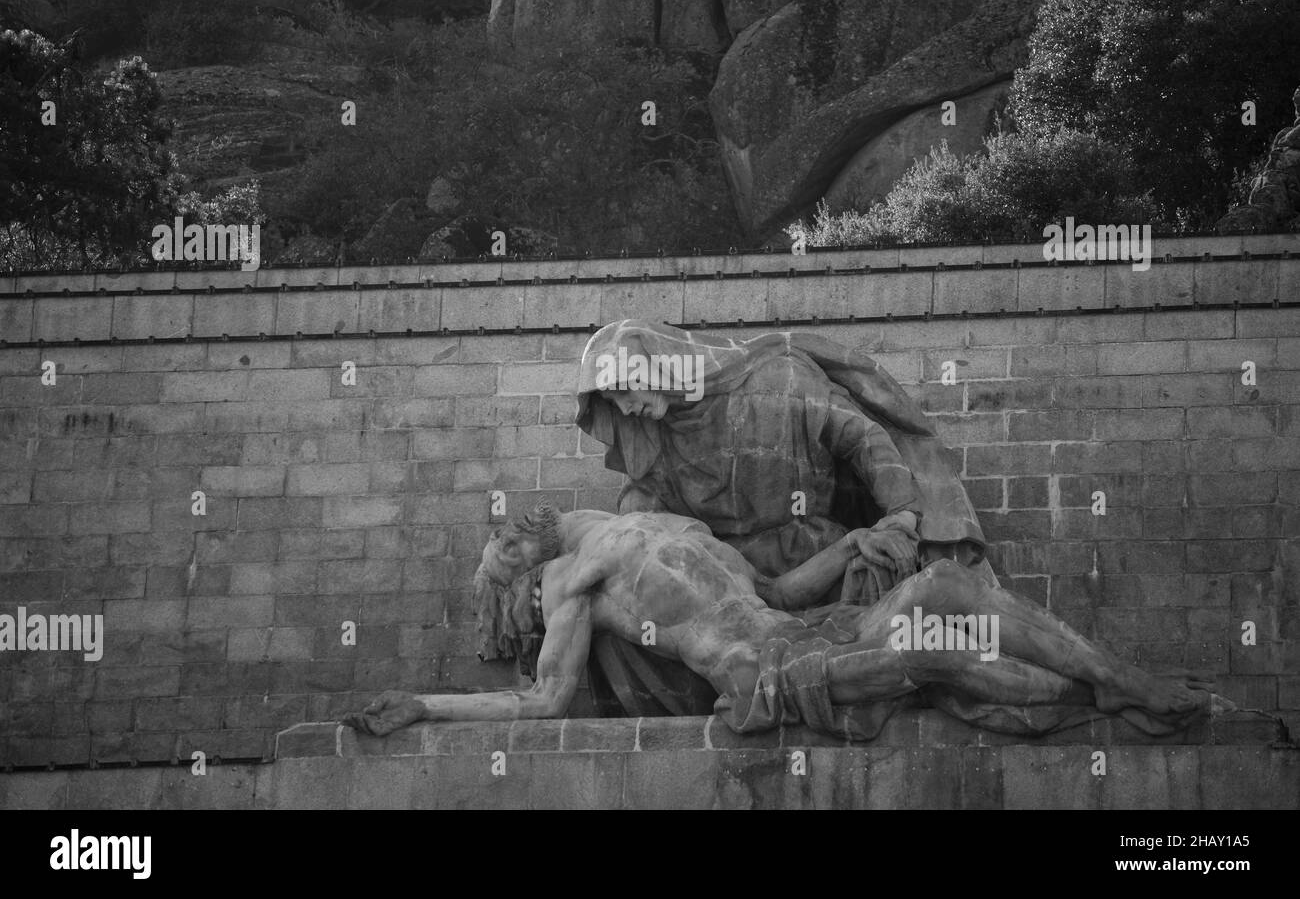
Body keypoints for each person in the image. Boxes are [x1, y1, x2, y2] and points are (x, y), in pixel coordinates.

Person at [344, 505, 1229, 739]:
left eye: (498, 537)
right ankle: (1101, 702)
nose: (503, 536)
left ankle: (1121, 685)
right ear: (522, 586)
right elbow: (542, 707)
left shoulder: (668, 526)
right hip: (767, 681)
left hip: (801, 633)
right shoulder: (576, 581)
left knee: (944, 589)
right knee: (929, 654)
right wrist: (426, 707)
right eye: (499, 555)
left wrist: (852, 546)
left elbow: (777, 586)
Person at [574, 320, 992, 714]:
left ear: (661, 363)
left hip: (815, 559)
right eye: (614, 402)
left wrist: (901, 517)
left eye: (625, 390)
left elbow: (863, 438)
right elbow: (642, 531)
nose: (626, 410)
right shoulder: (650, 442)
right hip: (722, 582)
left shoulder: (777, 380)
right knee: (618, 625)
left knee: (878, 563)